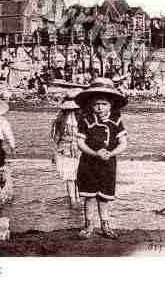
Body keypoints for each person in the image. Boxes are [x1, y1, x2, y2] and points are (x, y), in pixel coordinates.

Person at [74, 77, 128, 239]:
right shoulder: (85, 119)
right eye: (96, 104)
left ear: (111, 104)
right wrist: (95, 153)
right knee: (89, 195)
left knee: (104, 196)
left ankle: (105, 225)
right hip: (89, 162)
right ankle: (89, 225)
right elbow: (80, 143)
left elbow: (123, 142)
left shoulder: (116, 120)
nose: (100, 107)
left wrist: (111, 153)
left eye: (104, 104)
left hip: (108, 163)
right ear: (90, 104)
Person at [51, 90, 82, 206]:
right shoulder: (83, 117)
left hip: (64, 149)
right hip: (79, 149)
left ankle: (72, 199)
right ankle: (77, 198)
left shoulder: (61, 117)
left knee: (70, 177)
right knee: (78, 176)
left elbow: (56, 137)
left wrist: (54, 152)